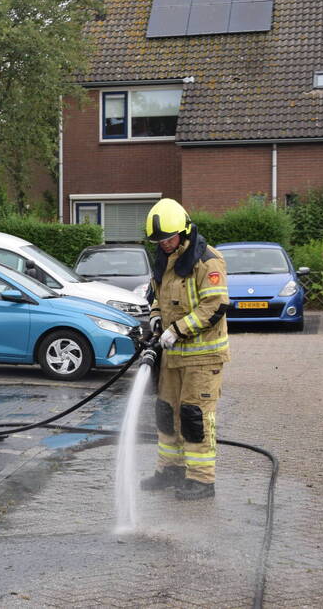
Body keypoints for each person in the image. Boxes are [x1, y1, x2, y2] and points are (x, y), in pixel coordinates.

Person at [139, 198, 230, 500]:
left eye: (168, 238)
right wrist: (155, 321)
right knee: (166, 414)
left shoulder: (208, 261)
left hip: (203, 358)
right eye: (158, 240)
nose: (164, 244)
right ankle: (171, 471)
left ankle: (202, 480)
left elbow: (214, 306)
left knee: (195, 416)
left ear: (185, 231)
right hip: (173, 357)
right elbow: (156, 297)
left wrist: (177, 330)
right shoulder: (163, 261)